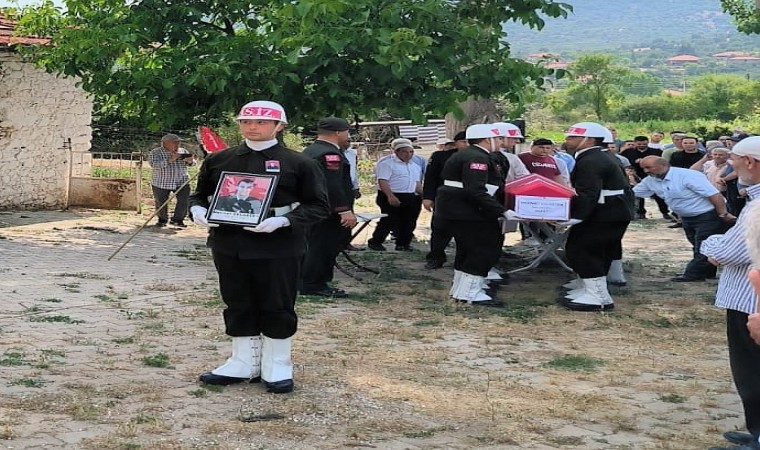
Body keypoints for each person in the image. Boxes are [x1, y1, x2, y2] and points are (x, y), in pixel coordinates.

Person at [188, 100, 330, 393]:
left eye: (262, 122)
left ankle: (277, 364)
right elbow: (199, 195)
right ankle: (242, 362)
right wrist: (198, 211)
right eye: (246, 122)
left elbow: (319, 206)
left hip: (278, 245)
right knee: (237, 300)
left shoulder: (300, 163)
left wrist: (285, 221)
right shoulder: (219, 160)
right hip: (229, 243)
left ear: (279, 126)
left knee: (277, 303)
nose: (252, 127)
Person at [700, 136, 760, 450]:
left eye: (734, 158)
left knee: (752, 370)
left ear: (750, 162)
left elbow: (729, 252)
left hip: (750, 302)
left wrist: (708, 244)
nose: (730, 165)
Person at [560, 122, 633, 312]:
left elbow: (588, 192)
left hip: (604, 211)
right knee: (599, 250)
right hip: (613, 210)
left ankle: (598, 295)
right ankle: (590, 288)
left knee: (583, 250)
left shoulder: (591, 160)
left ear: (589, 140)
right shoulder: (601, 156)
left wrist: (576, 216)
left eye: (573, 137)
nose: (568, 140)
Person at [433, 123, 506, 307]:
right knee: (483, 249)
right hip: (467, 211)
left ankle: (462, 290)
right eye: (498, 138)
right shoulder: (477, 157)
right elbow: (476, 190)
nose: (501, 142)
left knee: (467, 250)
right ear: (486, 139)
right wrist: (502, 210)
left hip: (458, 210)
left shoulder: (470, 154)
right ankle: (470, 293)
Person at [634, 156, 734, 282]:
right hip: (687, 217)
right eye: (643, 168)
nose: (646, 171)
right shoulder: (651, 181)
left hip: (708, 214)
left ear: (663, 165)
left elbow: (714, 195)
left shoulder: (687, 176)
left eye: (649, 167)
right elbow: (633, 193)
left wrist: (723, 214)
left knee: (702, 246)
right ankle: (708, 272)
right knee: (697, 244)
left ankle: (693, 275)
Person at [300, 117, 358, 298]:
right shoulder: (329, 154)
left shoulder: (311, 150)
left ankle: (306, 280)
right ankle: (315, 284)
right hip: (327, 211)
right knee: (323, 247)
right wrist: (344, 210)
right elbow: (332, 185)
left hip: (311, 207)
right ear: (339, 132)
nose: (347, 136)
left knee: (312, 245)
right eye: (347, 132)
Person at [367, 138, 423, 252]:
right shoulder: (387, 163)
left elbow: (417, 183)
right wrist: (390, 196)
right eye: (405, 151)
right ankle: (375, 241)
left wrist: (425, 195)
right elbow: (383, 181)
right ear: (397, 152)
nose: (408, 154)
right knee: (389, 219)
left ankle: (403, 244)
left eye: (411, 152)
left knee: (409, 221)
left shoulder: (414, 166)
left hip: (409, 195)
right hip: (391, 194)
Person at [423, 136, 461, 269]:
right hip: (444, 199)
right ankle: (435, 257)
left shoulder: (479, 156)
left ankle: (462, 259)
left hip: (468, 200)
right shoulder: (441, 156)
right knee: (440, 229)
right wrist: (428, 197)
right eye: (463, 142)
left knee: (465, 232)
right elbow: (431, 177)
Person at [148, 134, 194, 227]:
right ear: (165, 143)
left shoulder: (183, 151)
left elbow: (192, 164)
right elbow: (154, 165)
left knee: (185, 200)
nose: (178, 144)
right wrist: (170, 160)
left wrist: (190, 161)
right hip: (161, 182)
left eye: (179, 142)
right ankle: (162, 220)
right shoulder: (155, 152)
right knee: (161, 202)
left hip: (182, 181)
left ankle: (178, 220)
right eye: (175, 142)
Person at [621, 135, 670, 220]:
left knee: (658, 194)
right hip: (634, 175)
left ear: (648, 142)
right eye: (639, 144)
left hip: (652, 175)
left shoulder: (656, 151)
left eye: (644, 144)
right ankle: (639, 212)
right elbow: (625, 164)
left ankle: (665, 212)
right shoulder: (628, 152)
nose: (642, 145)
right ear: (635, 143)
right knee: (636, 194)